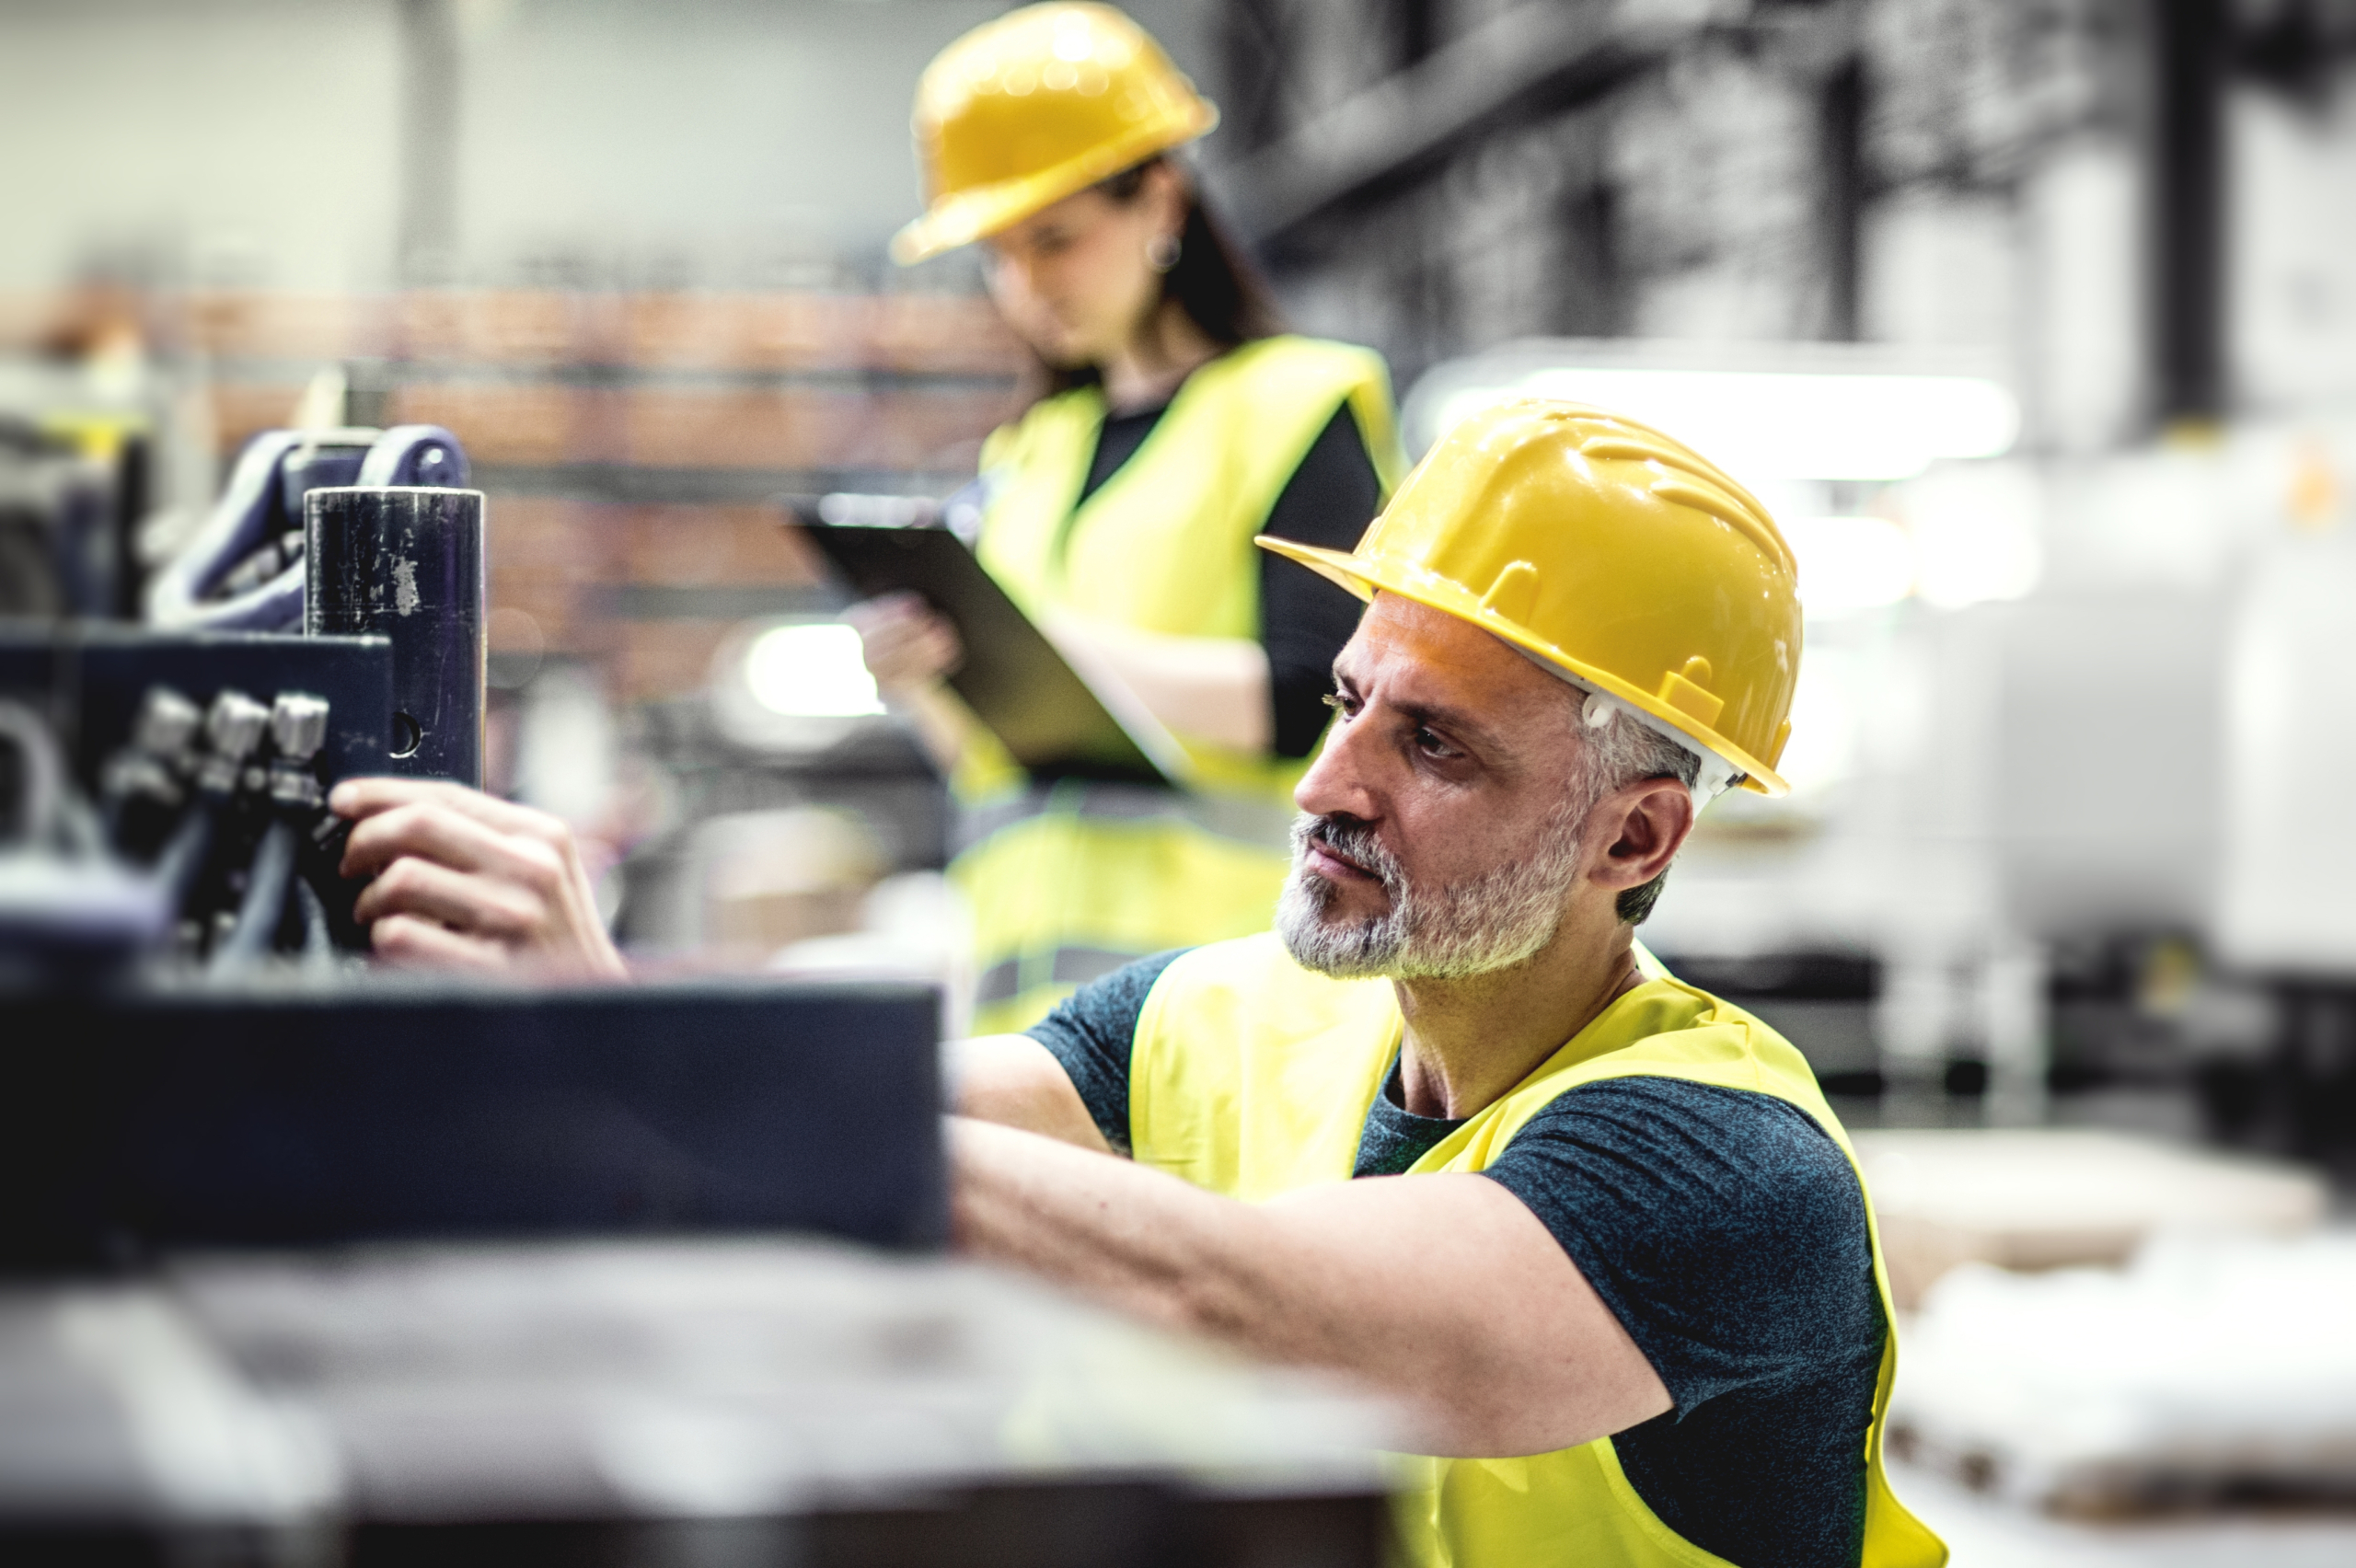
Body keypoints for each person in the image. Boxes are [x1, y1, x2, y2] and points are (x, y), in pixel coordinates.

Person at [331, 400, 1946, 1566]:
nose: (1328, 781)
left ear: (1634, 829)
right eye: (1347, 700)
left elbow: (1259, 1300)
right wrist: (590, 1031)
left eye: (1432, 740)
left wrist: (613, 1054)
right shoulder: (1218, 1013)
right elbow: (856, 1127)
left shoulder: (1727, 1168)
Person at [854, 1, 1406, 1033]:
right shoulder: (1027, 454)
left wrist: (1048, 649)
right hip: (1025, 1014)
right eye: (999, 256)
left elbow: (1313, 697)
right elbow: (996, 756)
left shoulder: (1293, 405)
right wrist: (927, 675)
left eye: (1055, 241)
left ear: (1160, 201)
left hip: (1226, 1006)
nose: (1026, 287)